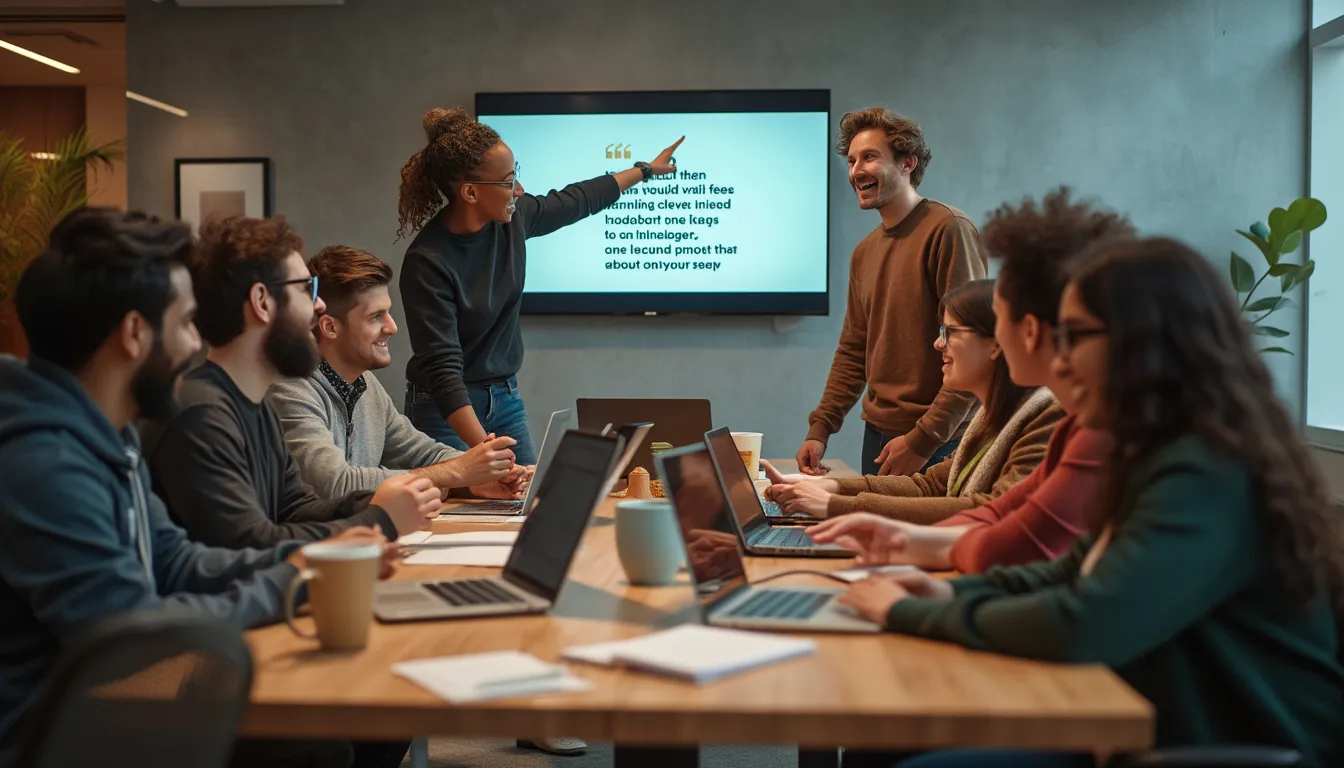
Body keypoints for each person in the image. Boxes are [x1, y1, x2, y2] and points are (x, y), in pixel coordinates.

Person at [837, 238, 1344, 767]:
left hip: (1226, 746)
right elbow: (1075, 573)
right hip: (1160, 723)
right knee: (885, 745)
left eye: (1075, 336)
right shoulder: (1156, 449)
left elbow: (1086, 620)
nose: (1060, 355)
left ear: (1142, 342)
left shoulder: (1206, 469)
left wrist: (914, 612)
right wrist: (946, 596)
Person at [0, 208, 406, 768]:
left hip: (105, 706)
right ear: (136, 334)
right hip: (62, 738)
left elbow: (177, 561)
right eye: (186, 322)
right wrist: (300, 577)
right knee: (319, 746)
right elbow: (135, 638)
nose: (196, 341)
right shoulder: (45, 462)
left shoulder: (105, 437)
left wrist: (314, 561)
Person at [807, 188, 1129, 573]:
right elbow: (1002, 526)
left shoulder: (1078, 426)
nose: (1007, 333)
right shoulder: (1074, 425)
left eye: (1005, 315)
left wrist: (916, 586)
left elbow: (1009, 535)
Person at [397, 107, 683, 466]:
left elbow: (579, 199)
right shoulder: (428, 261)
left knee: (522, 504)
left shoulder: (513, 222)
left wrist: (643, 170)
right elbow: (443, 373)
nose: (519, 189)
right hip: (446, 410)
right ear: (470, 192)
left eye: (516, 174)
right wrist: (486, 451)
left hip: (504, 397)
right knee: (454, 514)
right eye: (506, 182)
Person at [143, 215, 443, 550]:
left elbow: (294, 509)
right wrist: (380, 519)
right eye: (305, 289)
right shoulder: (200, 416)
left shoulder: (256, 406)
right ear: (261, 302)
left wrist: (376, 500)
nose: (318, 305)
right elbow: (251, 541)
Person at [768, 280, 1063, 524]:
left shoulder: (1046, 417)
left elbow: (993, 510)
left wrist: (835, 505)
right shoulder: (992, 418)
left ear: (997, 343)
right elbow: (930, 486)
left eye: (950, 332)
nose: (938, 344)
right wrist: (823, 487)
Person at [798, 108, 987, 478]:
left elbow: (973, 346)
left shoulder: (949, 230)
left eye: (870, 157)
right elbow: (854, 349)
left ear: (907, 163)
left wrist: (924, 439)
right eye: (852, 161)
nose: (856, 171)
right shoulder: (864, 253)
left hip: (940, 439)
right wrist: (820, 428)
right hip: (879, 436)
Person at [267, 245, 528, 500]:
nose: (392, 327)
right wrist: (455, 473)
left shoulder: (366, 384)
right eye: (376, 316)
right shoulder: (291, 387)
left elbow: (424, 454)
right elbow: (333, 484)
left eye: (388, 313)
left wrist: (477, 480)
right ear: (330, 327)